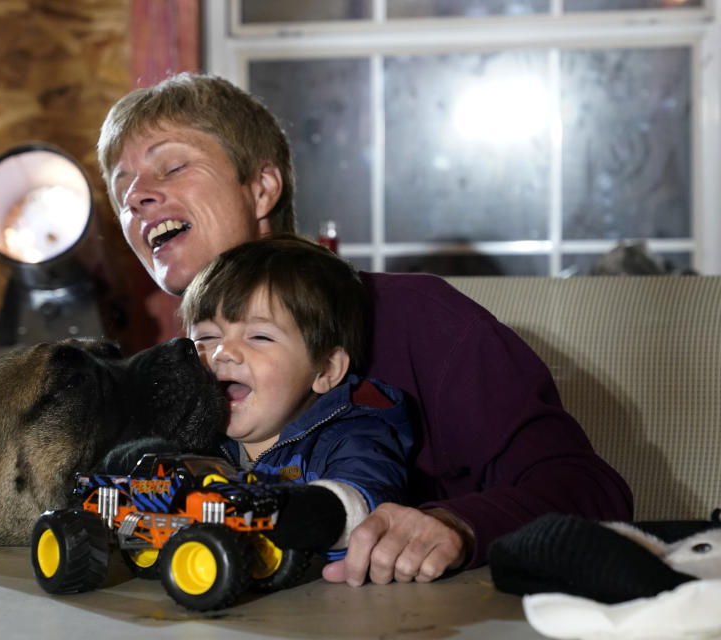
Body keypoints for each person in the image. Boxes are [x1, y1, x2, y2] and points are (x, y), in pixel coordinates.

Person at [97, 72, 633, 586]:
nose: (136, 197)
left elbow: (590, 490)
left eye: (170, 168)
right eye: (123, 190)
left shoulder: (420, 317)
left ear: (262, 189)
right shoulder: (169, 371)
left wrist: (457, 527)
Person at [180, 234, 413, 557]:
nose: (222, 352)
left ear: (326, 370)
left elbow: (369, 494)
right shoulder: (191, 439)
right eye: (206, 336)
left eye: (259, 336)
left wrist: (307, 511)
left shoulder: (351, 436)